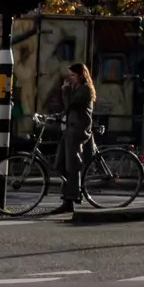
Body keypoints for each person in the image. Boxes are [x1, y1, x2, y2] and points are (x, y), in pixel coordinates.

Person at [41, 62, 96, 214]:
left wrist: (65, 90)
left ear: (80, 75)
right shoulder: (75, 88)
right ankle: (67, 196)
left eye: (73, 75)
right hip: (68, 129)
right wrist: (55, 117)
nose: (70, 78)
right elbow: (67, 109)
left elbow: (70, 104)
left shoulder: (84, 90)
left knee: (72, 165)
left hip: (77, 130)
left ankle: (70, 198)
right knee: (60, 164)